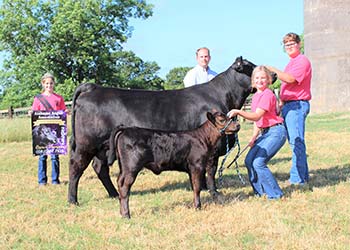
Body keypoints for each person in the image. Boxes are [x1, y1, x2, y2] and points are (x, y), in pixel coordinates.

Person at [227, 66, 286, 199]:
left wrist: (238, 111)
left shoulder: (267, 95)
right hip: (264, 133)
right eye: (257, 78)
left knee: (258, 162)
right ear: (253, 80)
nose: (260, 81)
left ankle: (276, 195)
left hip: (276, 132)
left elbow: (257, 116)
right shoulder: (255, 97)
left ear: (269, 80)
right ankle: (260, 192)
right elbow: (257, 122)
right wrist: (254, 137)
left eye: (263, 78)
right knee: (249, 161)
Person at [266, 32, 312, 185]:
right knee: (295, 141)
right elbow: (288, 85)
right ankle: (302, 176)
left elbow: (291, 79)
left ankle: (297, 179)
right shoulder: (291, 62)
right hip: (289, 105)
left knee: (296, 141)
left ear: (299, 44)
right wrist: (281, 102)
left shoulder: (302, 61)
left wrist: (273, 70)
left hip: (297, 105)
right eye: (287, 45)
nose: (289, 47)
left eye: (292, 44)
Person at [31, 73, 68, 186]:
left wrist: (65, 112)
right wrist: (31, 113)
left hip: (54, 131)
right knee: (42, 156)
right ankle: (42, 180)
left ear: (54, 84)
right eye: (47, 83)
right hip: (42, 133)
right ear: (43, 84)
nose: (49, 85)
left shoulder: (58, 98)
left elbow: (63, 111)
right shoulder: (38, 99)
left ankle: (55, 180)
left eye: (51, 83)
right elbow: (34, 112)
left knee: (54, 157)